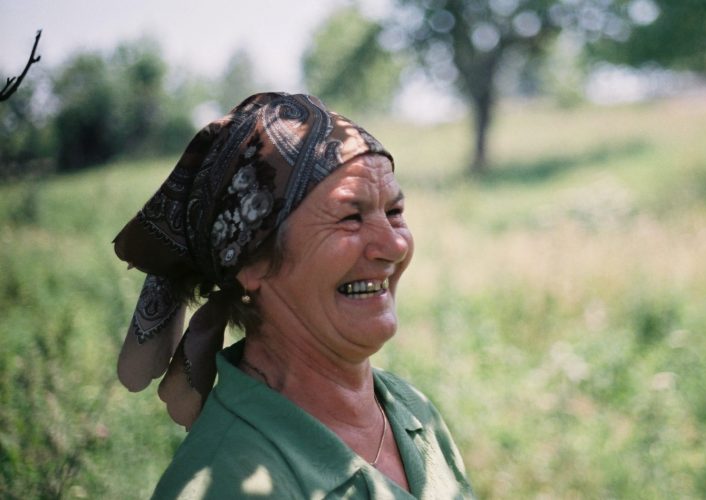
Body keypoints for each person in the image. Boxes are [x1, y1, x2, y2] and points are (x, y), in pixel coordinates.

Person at [112, 93, 474, 499]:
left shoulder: (412, 413)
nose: (393, 246)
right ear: (253, 262)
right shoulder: (228, 481)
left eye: (394, 212)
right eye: (350, 217)